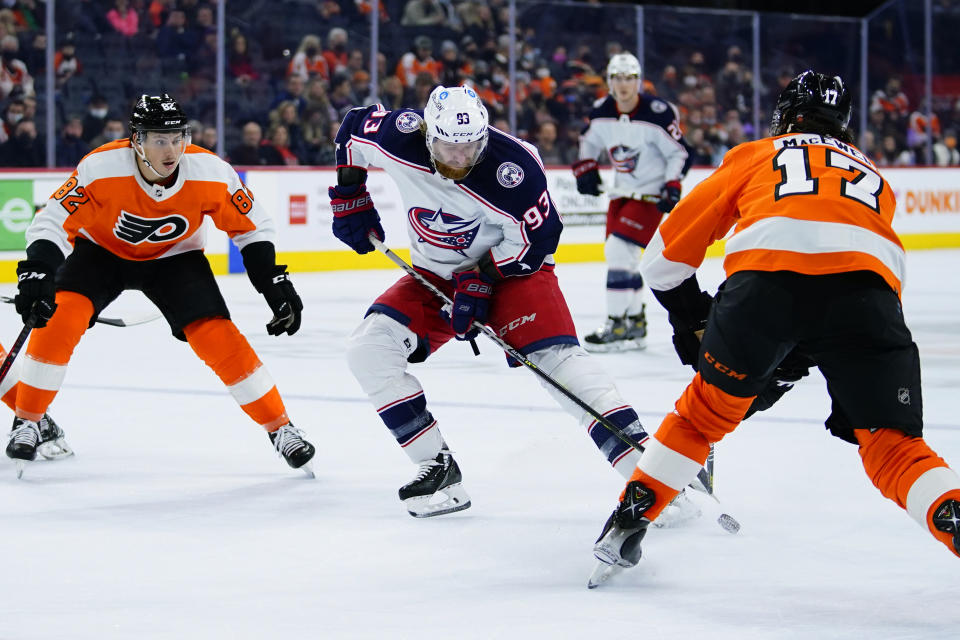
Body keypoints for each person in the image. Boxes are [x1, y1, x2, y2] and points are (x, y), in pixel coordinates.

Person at [590, 71, 960, 583]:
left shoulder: (757, 154)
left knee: (702, 419)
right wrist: (821, 346)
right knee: (894, 447)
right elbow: (871, 268)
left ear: (784, 115)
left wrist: (695, 318)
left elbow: (662, 260)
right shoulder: (875, 176)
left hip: (764, 292)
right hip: (869, 302)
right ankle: (954, 517)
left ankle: (627, 524)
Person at [330, 86, 700, 521]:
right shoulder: (399, 135)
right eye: (449, 147)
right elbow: (353, 129)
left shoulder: (514, 167)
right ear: (428, 136)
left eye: (471, 147)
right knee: (368, 351)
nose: (460, 158)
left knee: (556, 362)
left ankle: (652, 473)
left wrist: (483, 279)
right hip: (435, 276)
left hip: (513, 271)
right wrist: (351, 196)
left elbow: (540, 238)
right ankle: (437, 466)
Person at [6, 94, 315, 477]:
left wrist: (272, 281)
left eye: (178, 137)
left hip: (175, 261)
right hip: (99, 253)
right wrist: (37, 271)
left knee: (218, 337)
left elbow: (253, 227)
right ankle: (29, 421)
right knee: (59, 319)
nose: (172, 150)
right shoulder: (101, 168)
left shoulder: (211, 172)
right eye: (159, 139)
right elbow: (52, 220)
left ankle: (281, 428)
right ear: (137, 140)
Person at [571, 52, 692, 352]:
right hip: (621, 193)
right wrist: (585, 165)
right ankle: (635, 324)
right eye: (617, 78)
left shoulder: (659, 111)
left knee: (617, 250)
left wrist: (672, 183)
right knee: (621, 257)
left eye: (629, 78)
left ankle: (616, 323)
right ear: (609, 81)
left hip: (650, 195)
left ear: (638, 81)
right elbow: (588, 141)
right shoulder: (600, 110)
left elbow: (680, 151)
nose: (623, 84)